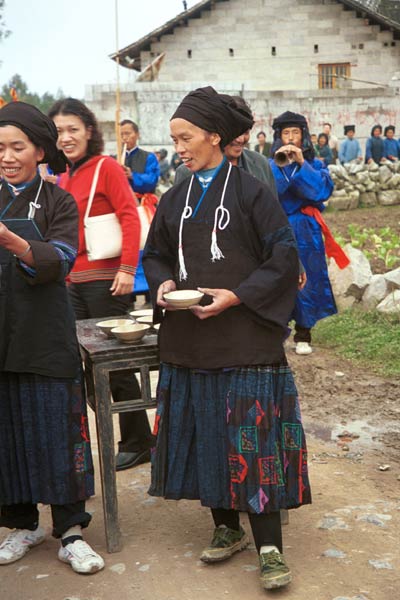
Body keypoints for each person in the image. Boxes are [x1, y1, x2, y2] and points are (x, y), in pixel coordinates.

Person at [142, 86, 311, 591]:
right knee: (207, 432)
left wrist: (236, 296)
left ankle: (270, 547)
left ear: (216, 136)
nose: (180, 148)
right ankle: (225, 527)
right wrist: (164, 283)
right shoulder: (174, 198)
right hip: (190, 341)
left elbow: (283, 256)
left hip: (245, 339)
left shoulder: (253, 192)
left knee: (253, 441)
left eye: (187, 137)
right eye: (175, 139)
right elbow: (154, 255)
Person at [0, 101, 104, 573]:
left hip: (45, 334)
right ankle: (22, 524)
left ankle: (71, 530)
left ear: (40, 151)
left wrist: (17, 243)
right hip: (2, 334)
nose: (6, 156)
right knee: (9, 432)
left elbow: (62, 260)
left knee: (59, 432)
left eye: (17, 146)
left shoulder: (59, 201)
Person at [48, 98, 154, 472]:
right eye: (59, 131)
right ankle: (119, 438)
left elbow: (129, 216)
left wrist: (128, 269)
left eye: (73, 129)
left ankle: (139, 440)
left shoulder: (105, 167)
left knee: (117, 365)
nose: (66, 137)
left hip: (106, 280)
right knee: (84, 368)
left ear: (89, 131)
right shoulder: (64, 175)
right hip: (72, 281)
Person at [269, 111, 349, 355]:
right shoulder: (270, 165)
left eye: (296, 132)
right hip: (279, 225)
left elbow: (320, 192)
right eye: (286, 133)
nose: (291, 138)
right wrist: (283, 165)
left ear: (303, 136)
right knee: (279, 277)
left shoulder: (316, 164)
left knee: (309, 278)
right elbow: (272, 193)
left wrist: (302, 164)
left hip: (305, 227)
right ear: (279, 137)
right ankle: (277, 330)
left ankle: (304, 333)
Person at [174, 96, 278, 196]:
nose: (241, 139)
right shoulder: (186, 172)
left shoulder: (261, 164)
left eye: (245, 132)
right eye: (235, 134)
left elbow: (273, 209)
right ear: (216, 133)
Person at [120, 119, 160, 195]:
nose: (124, 138)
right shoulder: (114, 159)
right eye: (121, 135)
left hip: (142, 202)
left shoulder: (149, 157)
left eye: (127, 134)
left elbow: (152, 180)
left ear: (137, 135)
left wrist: (132, 176)